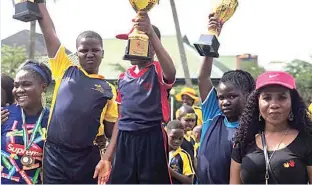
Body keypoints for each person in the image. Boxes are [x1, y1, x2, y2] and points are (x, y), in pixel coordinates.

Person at [36, 3, 119, 184]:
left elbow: (113, 131)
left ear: (102, 53)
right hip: (55, 156)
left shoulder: (109, 90)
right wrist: (40, 4)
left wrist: (107, 158)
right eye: (84, 50)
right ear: (77, 53)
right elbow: (49, 32)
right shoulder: (64, 68)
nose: (90, 54)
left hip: (87, 157)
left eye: (95, 50)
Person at [94, 11, 176, 184]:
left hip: (151, 136)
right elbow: (120, 119)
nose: (131, 47)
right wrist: (107, 158)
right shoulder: (123, 78)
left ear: (152, 45)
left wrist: (151, 34)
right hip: (125, 138)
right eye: (130, 42)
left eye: (137, 41)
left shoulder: (157, 70)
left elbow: (171, 72)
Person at [230, 71, 312, 184]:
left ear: (293, 102)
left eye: (282, 97)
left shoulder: (310, 142)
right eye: (267, 98)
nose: (274, 104)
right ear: (256, 103)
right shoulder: (244, 141)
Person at [196, 14, 256, 184]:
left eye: (232, 96)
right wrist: (212, 37)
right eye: (221, 97)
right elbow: (203, 78)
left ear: (249, 96)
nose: (225, 102)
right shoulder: (213, 114)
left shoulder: (254, 127)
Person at [1, 60, 52, 184]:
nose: (19, 90)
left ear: (43, 87)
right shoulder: (5, 114)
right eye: (16, 85)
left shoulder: (53, 119)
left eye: (26, 84)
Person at [166, 120, 195, 184]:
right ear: (166, 134)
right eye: (173, 137)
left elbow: (189, 181)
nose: (177, 141)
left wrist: (171, 172)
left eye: (180, 138)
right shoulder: (159, 153)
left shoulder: (184, 155)